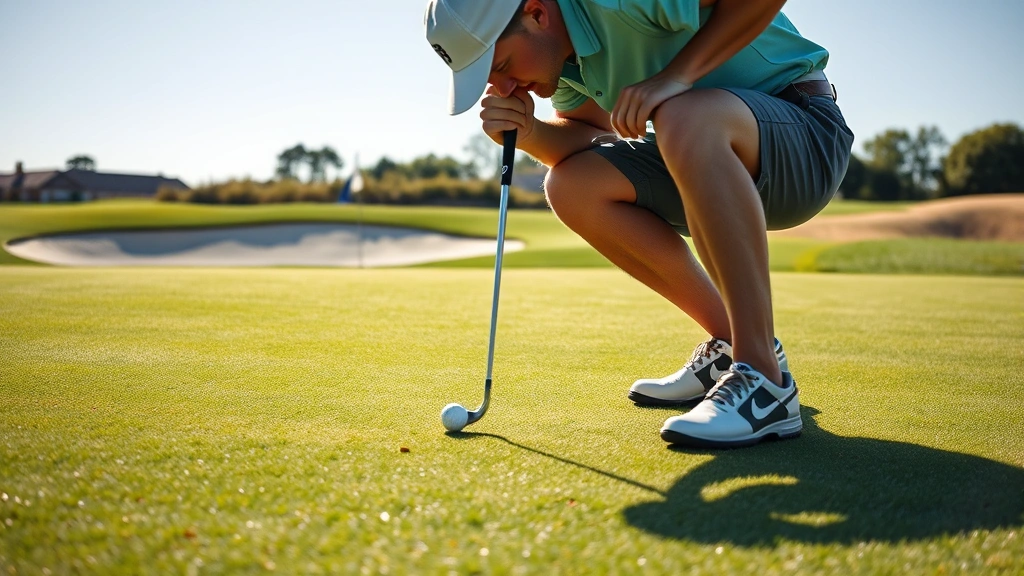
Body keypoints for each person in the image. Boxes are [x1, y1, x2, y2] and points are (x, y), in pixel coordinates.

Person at [424, 0, 854, 448]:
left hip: (803, 134)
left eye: (504, 65)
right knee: (572, 185)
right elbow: (589, 137)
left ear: (536, 12)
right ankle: (732, 343)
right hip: (704, 155)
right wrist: (531, 131)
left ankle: (765, 380)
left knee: (682, 113)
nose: (505, 86)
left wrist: (675, 77)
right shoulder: (566, 61)